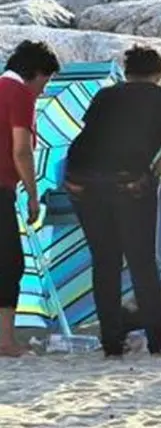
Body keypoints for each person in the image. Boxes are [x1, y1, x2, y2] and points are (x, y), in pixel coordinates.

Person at [64, 44, 161, 358]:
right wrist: (150, 176)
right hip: (127, 180)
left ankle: (111, 342)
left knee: (105, 260)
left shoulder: (106, 94)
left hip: (80, 179)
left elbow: (93, 134)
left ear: (127, 71)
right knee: (142, 261)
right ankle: (157, 342)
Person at [0, 40, 60, 357]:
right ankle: (6, 340)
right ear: (35, 73)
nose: (42, 90)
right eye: (45, 82)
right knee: (10, 263)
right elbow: (20, 149)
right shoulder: (19, 93)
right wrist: (33, 195)